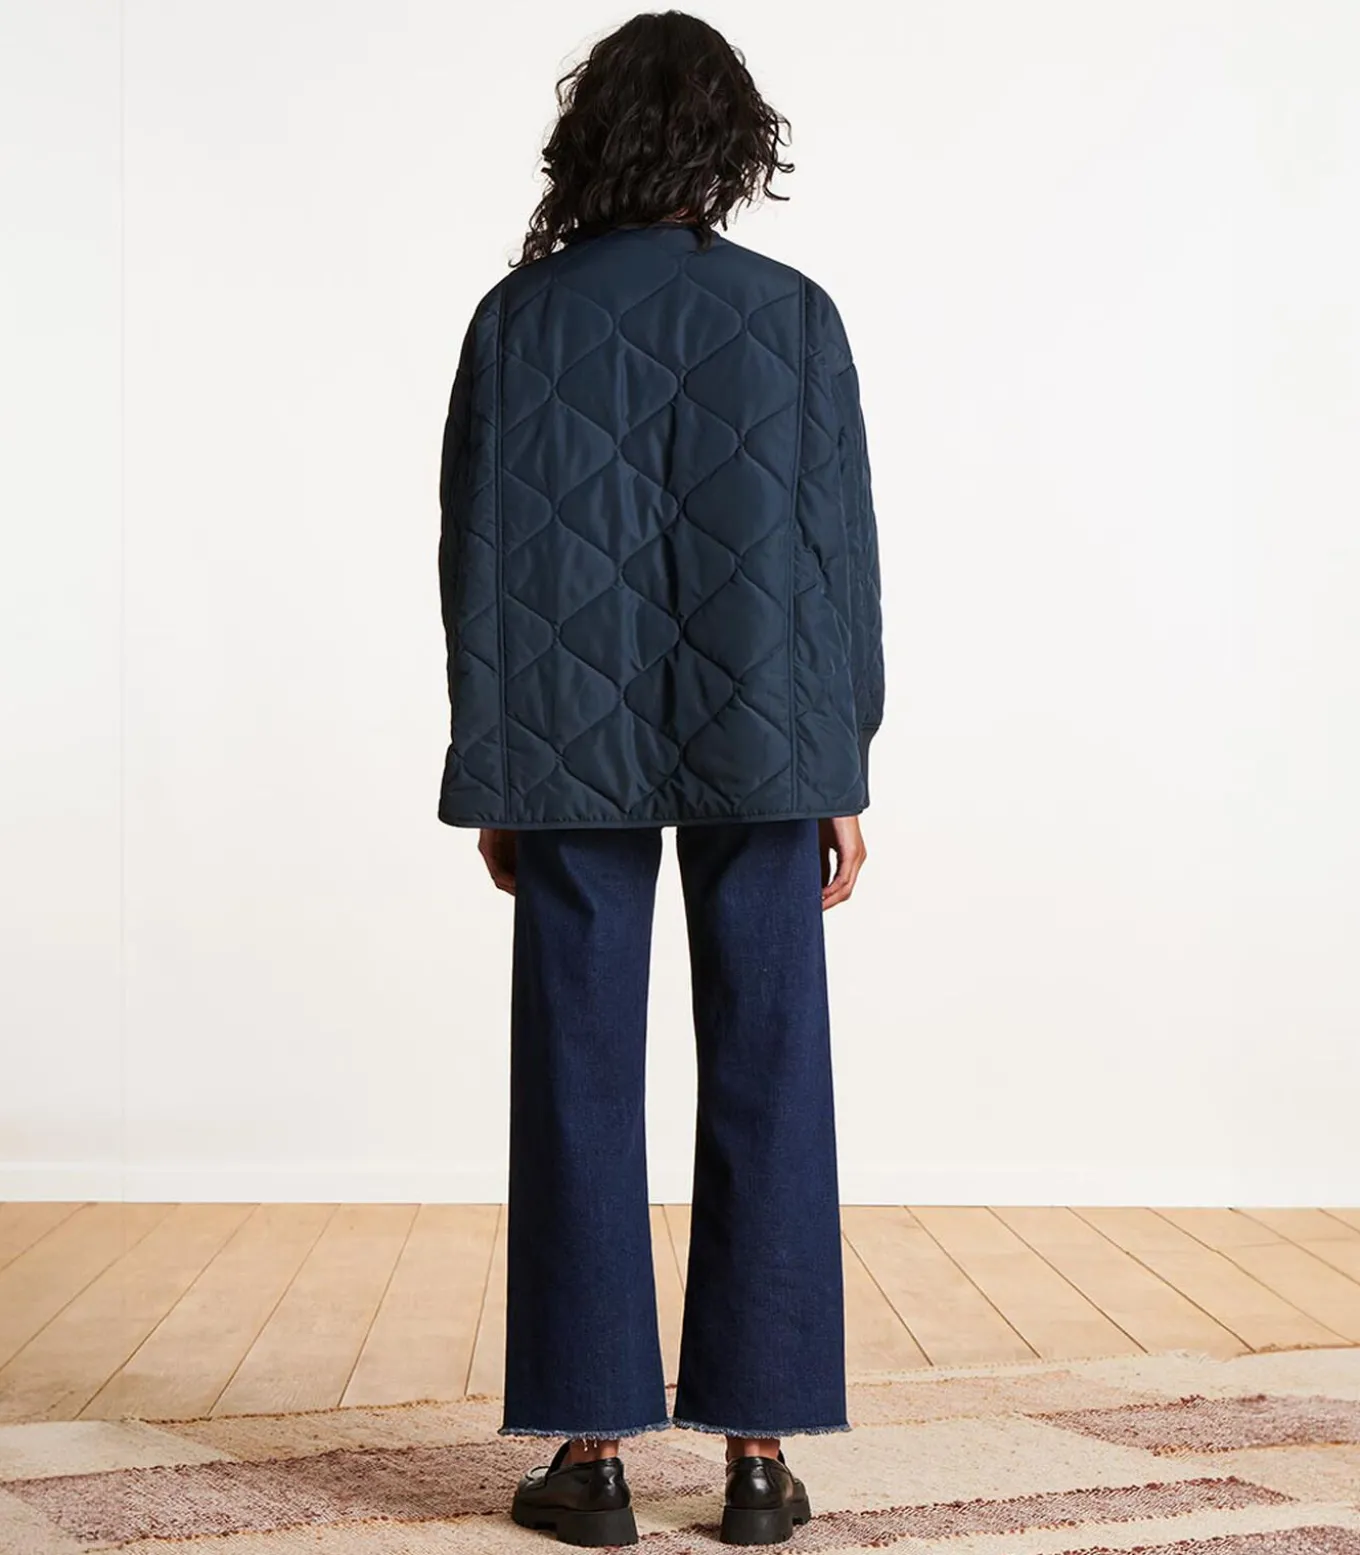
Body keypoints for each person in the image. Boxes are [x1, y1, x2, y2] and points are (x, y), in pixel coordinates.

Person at [436, 10, 884, 1545]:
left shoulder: (516, 321)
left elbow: (477, 561)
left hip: (565, 739)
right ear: (731, 147)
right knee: (772, 1063)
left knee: (576, 1070)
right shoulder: (795, 315)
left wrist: (496, 764)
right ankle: (758, 1458)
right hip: (771, 740)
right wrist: (843, 762)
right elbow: (838, 557)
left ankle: (593, 1457)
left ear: (593, 140)